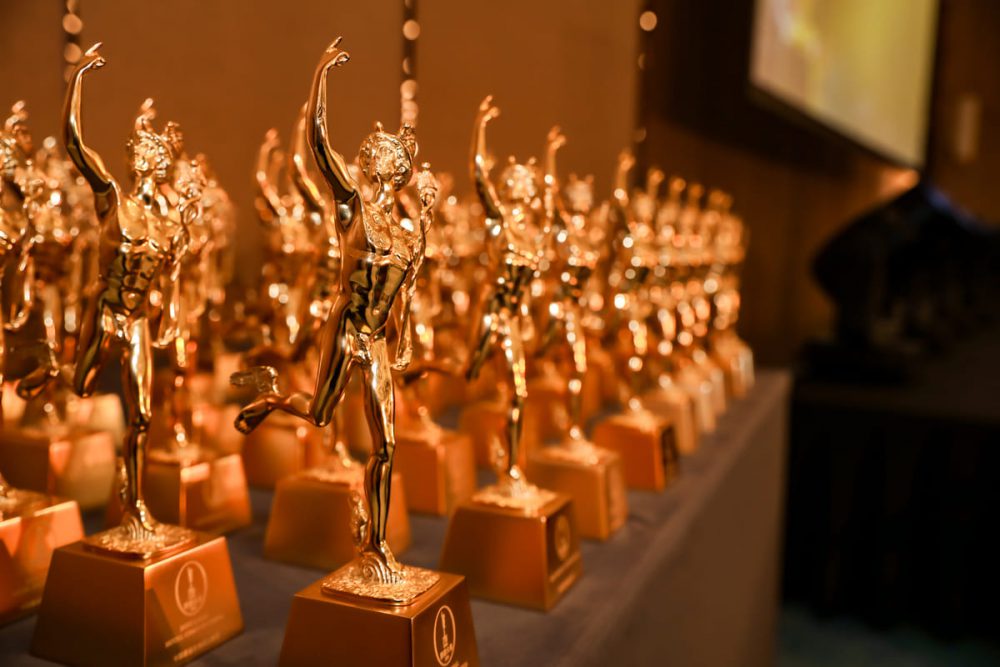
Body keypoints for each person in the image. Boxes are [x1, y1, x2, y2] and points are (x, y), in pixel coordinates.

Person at [233, 37, 435, 584]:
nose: (390, 162)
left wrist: (405, 341)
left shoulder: (405, 234)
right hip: (345, 327)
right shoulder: (353, 207)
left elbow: (403, 295)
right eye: (384, 155)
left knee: (386, 444)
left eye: (398, 158)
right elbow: (318, 144)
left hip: (376, 340)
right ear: (372, 163)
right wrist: (321, 74)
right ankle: (273, 397)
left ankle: (376, 544)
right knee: (322, 413)